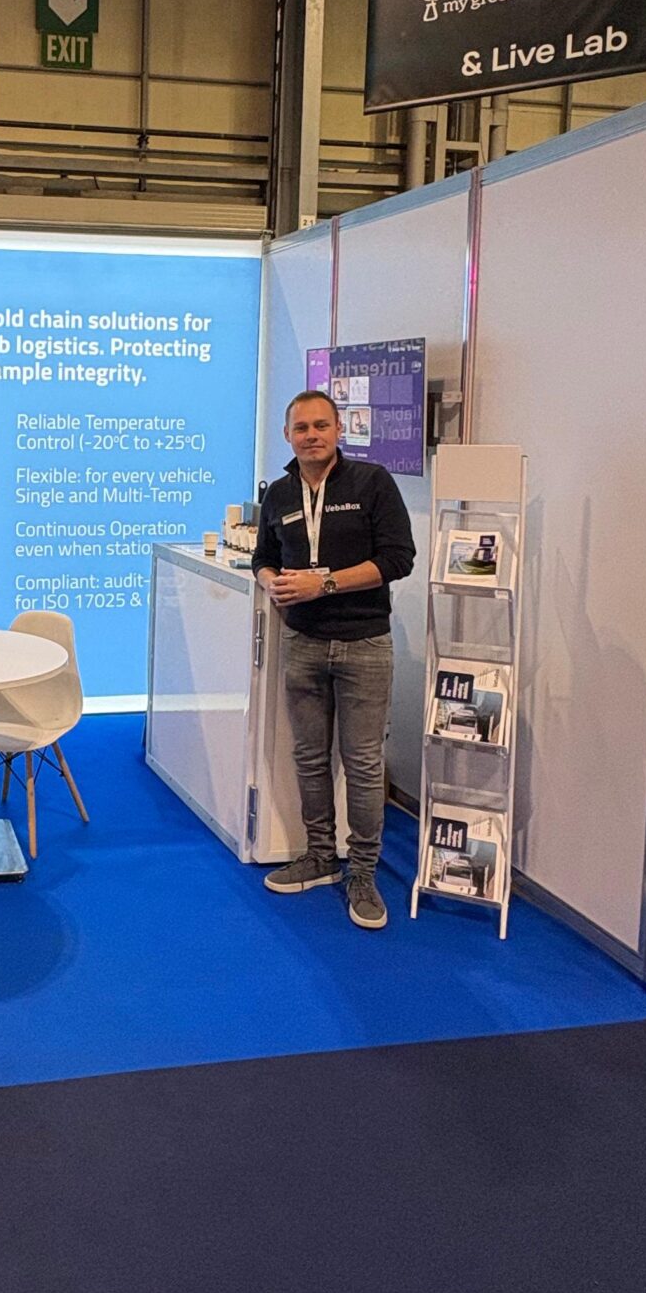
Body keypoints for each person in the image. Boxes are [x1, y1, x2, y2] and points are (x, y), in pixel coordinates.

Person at [252, 387, 415, 929]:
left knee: (363, 764)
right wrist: (271, 582)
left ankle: (362, 873)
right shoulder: (280, 493)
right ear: (287, 435)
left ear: (339, 430)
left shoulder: (372, 482)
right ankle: (320, 855)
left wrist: (322, 584)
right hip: (302, 642)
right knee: (309, 757)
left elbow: (398, 559)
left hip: (364, 643)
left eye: (321, 425)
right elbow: (263, 557)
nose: (312, 436)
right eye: (301, 428)